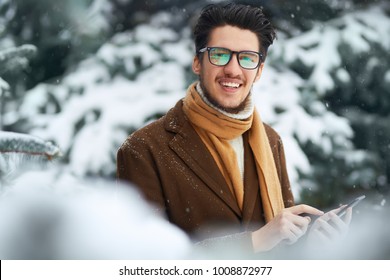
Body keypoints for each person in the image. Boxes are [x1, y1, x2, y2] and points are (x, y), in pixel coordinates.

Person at [117, 2, 352, 254]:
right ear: (197, 62)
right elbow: (144, 258)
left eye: (247, 58)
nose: (232, 69)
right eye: (219, 54)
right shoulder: (144, 149)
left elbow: (282, 247)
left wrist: (312, 242)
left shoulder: (271, 141)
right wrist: (255, 240)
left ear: (259, 70)